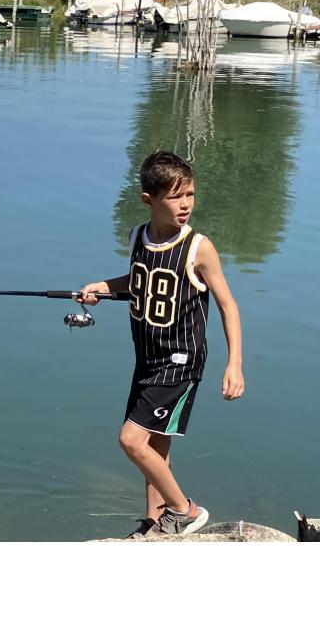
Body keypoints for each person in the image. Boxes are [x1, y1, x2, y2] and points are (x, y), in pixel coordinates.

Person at [79, 150, 245, 538]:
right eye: (175, 196)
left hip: (180, 362)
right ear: (148, 200)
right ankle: (156, 524)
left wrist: (234, 363)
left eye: (189, 194)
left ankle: (185, 510)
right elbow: (141, 279)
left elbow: (227, 305)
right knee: (155, 447)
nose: (185, 204)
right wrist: (104, 287)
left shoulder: (198, 248)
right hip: (148, 359)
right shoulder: (138, 235)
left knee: (131, 439)